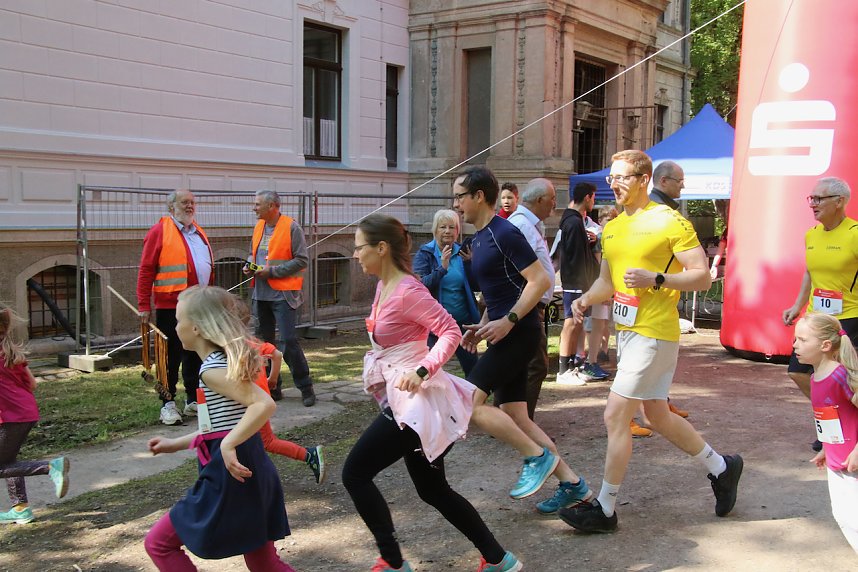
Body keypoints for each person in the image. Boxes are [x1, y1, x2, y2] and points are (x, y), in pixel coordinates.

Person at [558, 150, 742, 533]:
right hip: (630, 335)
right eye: (611, 178)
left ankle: (605, 509)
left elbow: (702, 277)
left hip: (654, 334)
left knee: (615, 415)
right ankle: (721, 468)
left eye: (622, 177)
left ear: (644, 180)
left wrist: (658, 278)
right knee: (657, 416)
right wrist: (585, 299)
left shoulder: (670, 221)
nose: (614, 184)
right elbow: (608, 281)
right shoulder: (611, 227)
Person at [342, 214, 523, 572]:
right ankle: (500, 560)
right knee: (433, 490)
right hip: (406, 399)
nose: (355, 255)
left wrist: (422, 370)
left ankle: (393, 563)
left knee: (355, 474)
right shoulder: (384, 285)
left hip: (415, 405)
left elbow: (450, 331)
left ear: (381, 248)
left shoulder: (409, 290)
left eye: (359, 247)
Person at [453, 166, 592, 516]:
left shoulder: (505, 232)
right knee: (516, 414)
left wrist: (509, 320)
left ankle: (537, 457)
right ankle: (574, 485)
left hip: (521, 332)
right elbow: (502, 291)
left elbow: (540, 281)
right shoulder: (480, 237)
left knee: (470, 404)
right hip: (506, 330)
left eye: (459, 196)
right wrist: (483, 324)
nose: (456, 204)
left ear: (479, 196)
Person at [144, 286, 292, 571]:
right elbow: (218, 428)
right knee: (264, 563)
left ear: (197, 328)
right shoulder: (217, 365)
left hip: (230, 476)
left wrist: (227, 445)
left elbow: (263, 405)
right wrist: (172, 444)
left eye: (178, 320)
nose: (175, 327)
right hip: (250, 468)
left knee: (159, 543)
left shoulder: (211, 370)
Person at [138, 189, 213, 425]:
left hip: (199, 305)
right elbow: (146, 269)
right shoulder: (159, 231)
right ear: (172, 207)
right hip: (171, 306)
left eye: (192, 202)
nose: (190, 206)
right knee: (169, 356)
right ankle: (167, 403)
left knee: (196, 353)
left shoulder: (198, 232)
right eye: (185, 202)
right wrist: (143, 304)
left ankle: (193, 399)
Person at [783, 177, 858, 401]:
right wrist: (798, 305)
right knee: (797, 371)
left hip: (849, 316)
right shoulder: (812, 234)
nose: (812, 204)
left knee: (843, 377)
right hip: (817, 317)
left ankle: (842, 426)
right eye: (811, 198)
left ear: (839, 201)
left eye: (819, 199)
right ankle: (831, 418)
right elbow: (810, 272)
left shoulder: (854, 233)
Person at [244, 190, 316, 407]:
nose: (253, 208)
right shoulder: (259, 226)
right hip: (260, 294)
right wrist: (249, 264)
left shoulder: (292, 227)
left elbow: (302, 260)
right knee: (263, 345)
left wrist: (272, 272)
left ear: (272, 206)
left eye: (257, 204)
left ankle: (305, 387)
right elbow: (252, 252)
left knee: (288, 341)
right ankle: (272, 388)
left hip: (283, 295)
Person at [0, 304, 70, 525]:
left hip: (10, 418)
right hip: (25, 413)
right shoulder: (10, 352)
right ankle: (20, 508)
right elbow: (32, 384)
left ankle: (51, 467)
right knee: (9, 460)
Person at [794, 313, 858, 553]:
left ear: (825, 345)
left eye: (802, 340)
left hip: (853, 463)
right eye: (795, 340)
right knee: (843, 516)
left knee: (852, 519)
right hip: (836, 461)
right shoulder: (815, 377)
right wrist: (825, 447)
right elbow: (830, 416)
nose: (795, 345)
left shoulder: (839, 375)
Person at [507, 178, 557, 419]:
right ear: (539, 200)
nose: (554, 204)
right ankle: (521, 422)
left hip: (532, 304)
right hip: (528, 304)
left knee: (521, 364)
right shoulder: (523, 226)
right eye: (552, 198)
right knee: (536, 365)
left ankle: (512, 418)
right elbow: (518, 270)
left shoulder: (529, 224)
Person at [414, 209, 480, 376]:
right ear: (435, 229)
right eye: (443, 227)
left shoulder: (462, 252)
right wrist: (442, 268)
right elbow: (419, 287)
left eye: (452, 227)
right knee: (429, 371)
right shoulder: (426, 253)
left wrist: (471, 264)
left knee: (473, 370)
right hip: (435, 324)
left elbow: (476, 286)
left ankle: (473, 402)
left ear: (458, 230)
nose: (448, 231)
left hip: (463, 322)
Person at [556, 183, 608, 385]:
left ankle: (570, 366)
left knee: (576, 325)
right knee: (571, 323)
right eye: (593, 198)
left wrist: (591, 242)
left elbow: (578, 251)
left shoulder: (575, 221)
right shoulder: (573, 221)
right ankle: (563, 370)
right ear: (587, 197)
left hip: (578, 282)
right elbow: (574, 257)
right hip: (575, 282)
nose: (593, 202)